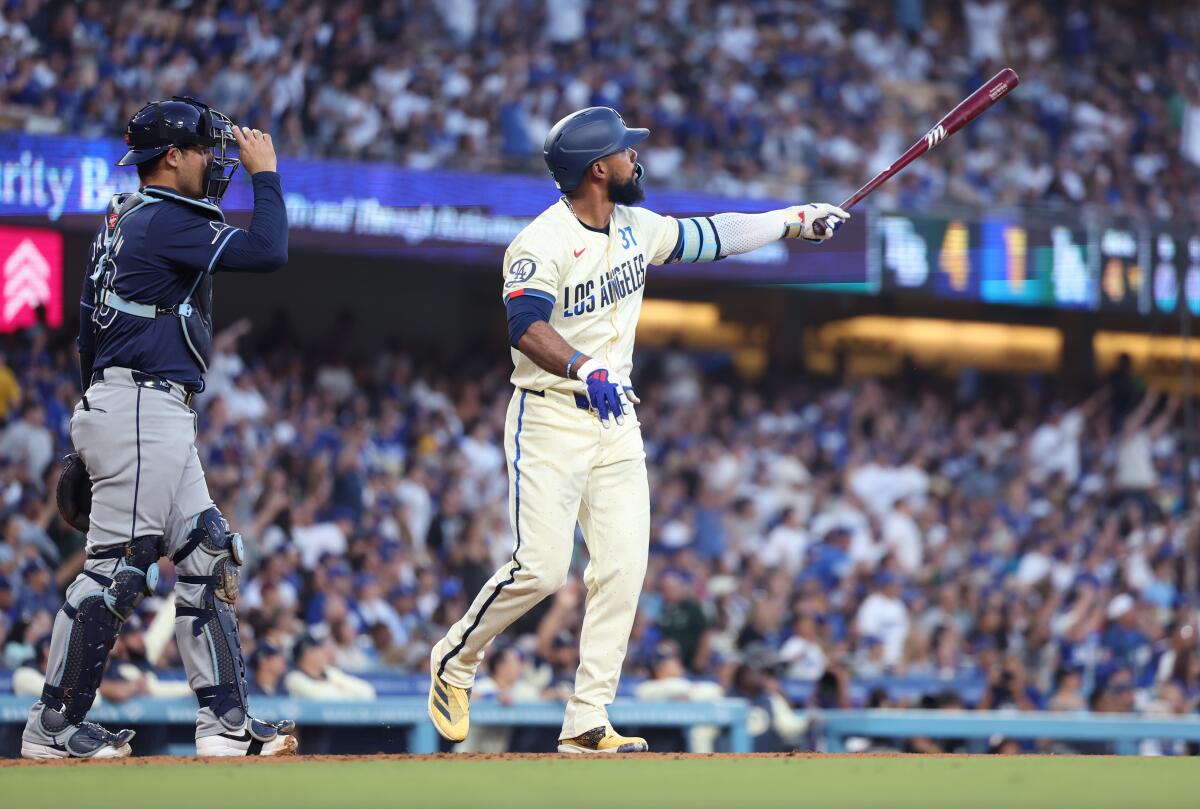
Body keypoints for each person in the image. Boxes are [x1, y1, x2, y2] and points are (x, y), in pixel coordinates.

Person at [428, 105, 849, 754]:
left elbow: (714, 233)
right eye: (625, 152)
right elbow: (525, 327)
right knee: (541, 570)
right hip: (549, 414)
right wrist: (583, 365)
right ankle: (454, 659)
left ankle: (586, 718)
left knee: (623, 569)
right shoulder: (539, 242)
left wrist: (795, 220)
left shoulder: (635, 227)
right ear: (599, 169)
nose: (635, 159)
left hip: (615, 420)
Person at [22, 96, 292, 759]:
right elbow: (269, 250)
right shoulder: (167, 217)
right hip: (142, 405)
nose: (216, 162)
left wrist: (92, 424)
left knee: (207, 548)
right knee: (118, 570)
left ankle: (223, 724)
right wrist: (267, 175)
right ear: (172, 157)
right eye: (206, 151)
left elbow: (88, 328)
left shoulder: (124, 215)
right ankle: (53, 725)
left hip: (137, 404)